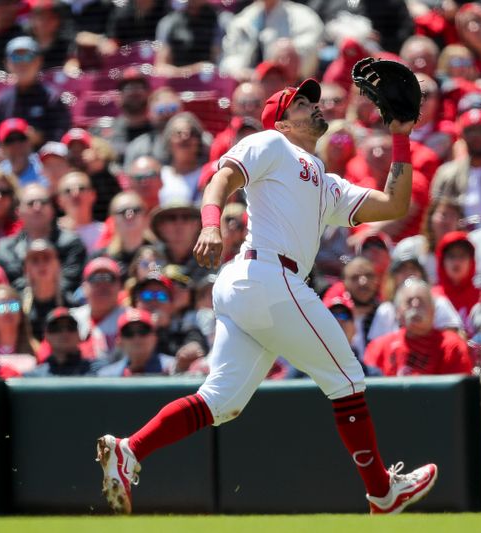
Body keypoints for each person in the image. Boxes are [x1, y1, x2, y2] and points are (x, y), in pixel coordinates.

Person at [96, 78, 438, 515]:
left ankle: (130, 450)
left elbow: (393, 204)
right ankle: (381, 491)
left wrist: (401, 137)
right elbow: (223, 177)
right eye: (301, 103)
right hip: (267, 274)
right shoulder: (273, 144)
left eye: (314, 101)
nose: (313, 106)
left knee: (220, 402)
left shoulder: (325, 181)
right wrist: (209, 223)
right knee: (347, 379)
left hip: (252, 286)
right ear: (282, 120)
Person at [364, 279, 473, 377]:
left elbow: (457, 395)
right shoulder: (379, 348)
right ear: (397, 312)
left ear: (434, 311)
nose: (415, 305)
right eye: (408, 302)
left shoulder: (452, 347)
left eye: (421, 301)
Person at [0, 183, 87, 295]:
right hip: (16, 309)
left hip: (63, 308)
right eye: (30, 203)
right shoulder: (5, 249)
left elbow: (70, 284)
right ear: (18, 211)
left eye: (43, 202)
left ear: (52, 210)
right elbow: (6, 290)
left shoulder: (72, 243)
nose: (37, 207)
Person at [431, 108, 481, 223]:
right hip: (457, 236)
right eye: (470, 131)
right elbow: (435, 213)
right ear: (462, 136)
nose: (477, 136)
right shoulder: (446, 173)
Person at [0, 37, 71, 145]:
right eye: (15, 57)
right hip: (8, 160)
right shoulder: (1, 102)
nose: (22, 63)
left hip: (43, 158)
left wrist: (40, 138)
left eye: (27, 57)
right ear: (6, 63)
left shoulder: (52, 98)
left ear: (39, 61)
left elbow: (61, 136)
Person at [70, 257, 126, 361]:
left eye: (110, 278)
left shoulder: (132, 319)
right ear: (83, 286)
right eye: (95, 278)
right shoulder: (70, 319)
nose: (103, 285)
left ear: (119, 286)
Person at [95, 308, 175, 376]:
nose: (137, 338)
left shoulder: (173, 367)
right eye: (128, 333)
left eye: (143, 331)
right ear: (119, 341)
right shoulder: (106, 376)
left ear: (155, 337)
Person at [24, 308, 94, 376]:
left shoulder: (95, 371)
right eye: (55, 328)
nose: (64, 333)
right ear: (46, 335)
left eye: (71, 327)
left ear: (79, 333)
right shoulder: (34, 377)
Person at [56, 171, 103, 254]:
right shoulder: (53, 232)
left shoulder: (106, 231)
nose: (75, 194)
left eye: (81, 188)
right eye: (68, 190)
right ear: (59, 200)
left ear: (93, 195)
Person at [0, 283, 34, 357]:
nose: (7, 311)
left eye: (13, 305)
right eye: (0, 306)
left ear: (21, 313)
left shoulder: (37, 351)